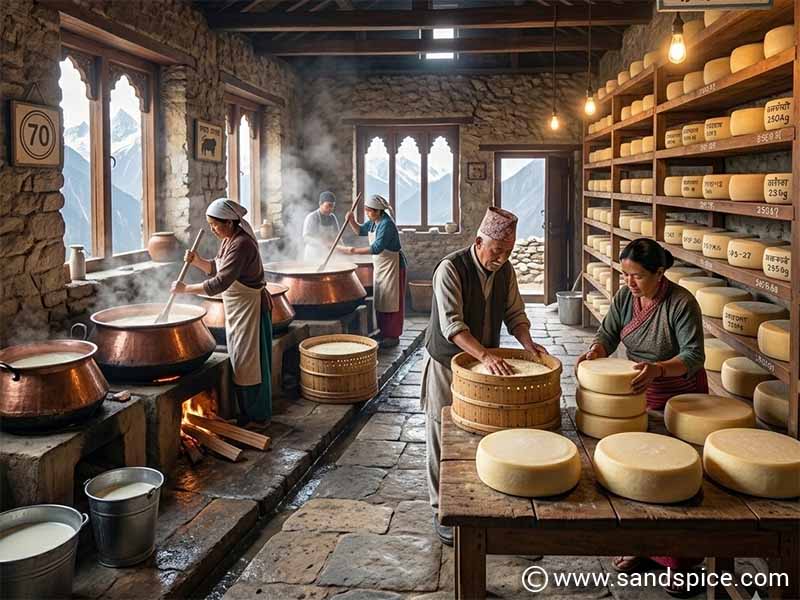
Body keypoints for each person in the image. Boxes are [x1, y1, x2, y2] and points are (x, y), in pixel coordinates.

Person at [576, 237, 706, 597]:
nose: (629, 283)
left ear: (659, 273)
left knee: (672, 477)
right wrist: (595, 351)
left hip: (679, 393)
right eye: (624, 274)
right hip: (639, 387)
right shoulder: (625, 296)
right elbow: (608, 333)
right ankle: (641, 545)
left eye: (636, 276)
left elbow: (694, 356)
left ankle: (681, 563)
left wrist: (658, 370)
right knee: (635, 472)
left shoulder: (681, 303)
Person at [421, 206, 548, 546]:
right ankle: (440, 508)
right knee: (442, 428)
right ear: (479, 241)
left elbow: (515, 313)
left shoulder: (505, 271)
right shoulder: (451, 269)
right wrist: (486, 355)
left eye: (508, 252)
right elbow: (453, 325)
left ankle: (477, 503)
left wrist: (528, 344)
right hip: (448, 364)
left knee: (482, 429)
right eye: (497, 251)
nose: (502, 258)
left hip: (482, 365)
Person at [171, 198, 273, 428]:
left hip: (250, 310)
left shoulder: (242, 244)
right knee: (241, 362)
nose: (213, 230)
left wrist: (186, 289)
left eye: (215, 225)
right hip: (239, 310)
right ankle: (248, 414)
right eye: (210, 225)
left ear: (229, 222)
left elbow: (221, 282)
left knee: (251, 364)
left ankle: (259, 416)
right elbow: (218, 267)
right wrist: (198, 262)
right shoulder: (229, 239)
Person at [341, 194, 406, 349]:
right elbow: (360, 231)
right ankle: (383, 332)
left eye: (369, 211)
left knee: (392, 303)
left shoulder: (386, 224)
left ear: (378, 212)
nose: (367, 213)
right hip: (382, 267)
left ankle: (393, 336)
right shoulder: (374, 222)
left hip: (393, 267)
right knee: (382, 300)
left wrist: (353, 251)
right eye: (366, 210)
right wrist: (351, 221)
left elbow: (376, 248)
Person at [302, 191, 340, 261]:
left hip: (327, 254)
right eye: (328, 206)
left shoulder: (332, 217)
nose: (330, 209)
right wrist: (322, 243)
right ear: (320, 204)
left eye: (332, 206)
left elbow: (338, 236)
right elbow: (306, 238)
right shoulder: (312, 217)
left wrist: (344, 249)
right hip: (313, 254)